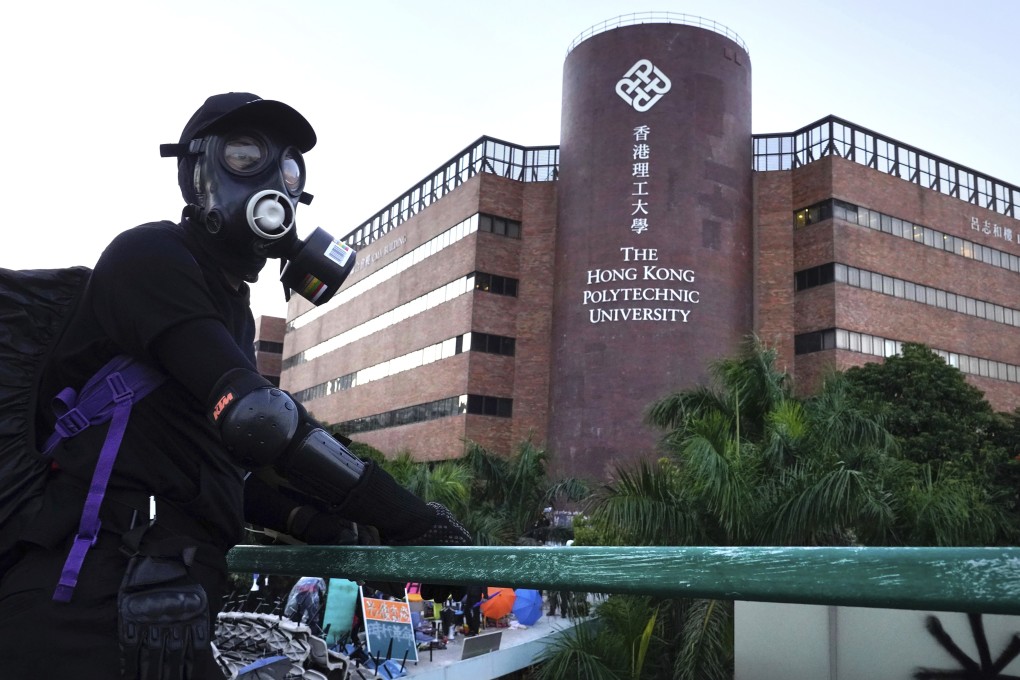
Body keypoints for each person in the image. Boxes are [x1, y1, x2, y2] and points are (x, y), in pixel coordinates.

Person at [0, 92, 470, 680]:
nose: (275, 178)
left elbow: (209, 467)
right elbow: (257, 419)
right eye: (244, 155)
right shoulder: (151, 256)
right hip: (78, 598)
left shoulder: (230, 305)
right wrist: (409, 520)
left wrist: (327, 529)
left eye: (289, 168)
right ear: (195, 174)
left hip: (161, 599)